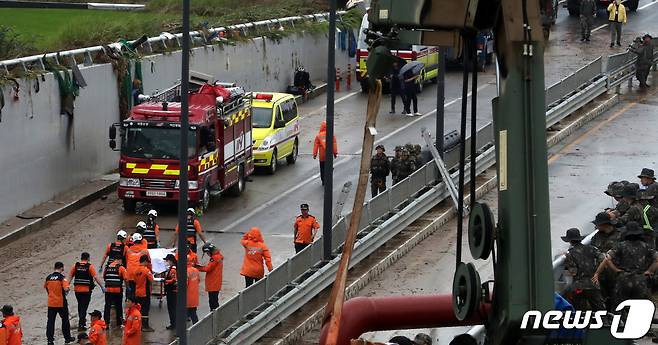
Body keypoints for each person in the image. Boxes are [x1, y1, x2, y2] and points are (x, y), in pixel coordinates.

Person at [593, 222, 658, 308]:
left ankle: (621, 320)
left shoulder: (621, 245)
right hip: (640, 280)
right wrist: (650, 271)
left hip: (623, 280)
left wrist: (600, 272)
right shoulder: (645, 246)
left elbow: (607, 258)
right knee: (640, 308)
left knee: (619, 307)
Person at [562, 228, 606, 311]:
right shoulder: (592, 248)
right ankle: (604, 322)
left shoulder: (571, 253)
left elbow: (573, 272)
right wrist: (597, 272)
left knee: (580, 312)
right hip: (593, 283)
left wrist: (567, 260)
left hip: (579, 286)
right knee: (600, 310)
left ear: (570, 241)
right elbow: (603, 258)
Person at [69, 252, 104, 331]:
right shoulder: (89, 266)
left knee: (80, 305)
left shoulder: (75, 266)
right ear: (88, 258)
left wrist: (66, 287)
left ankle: (82, 321)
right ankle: (81, 324)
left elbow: (70, 276)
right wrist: (102, 286)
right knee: (84, 307)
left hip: (77, 290)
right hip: (86, 290)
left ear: (81, 258)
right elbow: (96, 277)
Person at [45, 261, 75, 345]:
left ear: (54, 268)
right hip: (61, 302)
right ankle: (67, 338)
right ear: (62, 268)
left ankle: (50, 340)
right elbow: (66, 289)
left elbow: (46, 288)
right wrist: (66, 291)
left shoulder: (48, 278)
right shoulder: (62, 278)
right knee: (65, 320)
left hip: (51, 303)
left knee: (50, 321)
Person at [198, 243, 224, 310]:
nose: (207, 254)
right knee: (215, 300)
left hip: (213, 282)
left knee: (212, 301)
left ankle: (214, 316)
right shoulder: (219, 256)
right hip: (217, 281)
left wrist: (197, 267)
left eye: (207, 253)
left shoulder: (214, 258)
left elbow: (208, 269)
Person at [131, 255, 154, 332]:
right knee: (145, 309)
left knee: (139, 309)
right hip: (145, 292)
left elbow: (134, 280)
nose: (148, 263)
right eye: (147, 262)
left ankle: (139, 325)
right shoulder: (146, 270)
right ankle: (145, 326)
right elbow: (151, 279)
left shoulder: (135, 270)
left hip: (137, 292)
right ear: (144, 261)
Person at [103, 259, 127, 328]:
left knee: (107, 306)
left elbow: (104, 277)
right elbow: (126, 278)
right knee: (118, 306)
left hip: (108, 290)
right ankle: (119, 323)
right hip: (117, 290)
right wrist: (127, 287)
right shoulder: (121, 267)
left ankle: (106, 324)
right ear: (119, 260)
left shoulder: (107, 267)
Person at [312, 121, 338, 186]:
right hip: (329, 155)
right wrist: (335, 153)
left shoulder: (318, 136)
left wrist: (314, 154)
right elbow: (334, 145)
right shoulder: (331, 135)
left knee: (322, 168)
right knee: (329, 167)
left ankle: (323, 180)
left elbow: (315, 146)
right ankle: (329, 176)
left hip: (322, 156)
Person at [125, 233, 150, 299]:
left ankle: (130, 302)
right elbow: (148, 263)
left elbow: (127, 261)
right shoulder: (145, 251)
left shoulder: (129, 250)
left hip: (130, 274)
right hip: (140, 274)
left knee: (130, 293)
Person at [163, 254, 177, 330]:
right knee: (173, 308)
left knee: (172, 308)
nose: (166, 262)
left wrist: (165, 281)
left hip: (172, 291)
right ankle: (174, 323)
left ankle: (173, 323)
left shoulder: (173, 269)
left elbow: (173, 280)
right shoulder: (172, 268)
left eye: (167, 260)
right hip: (172, 290)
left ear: (171, 260)